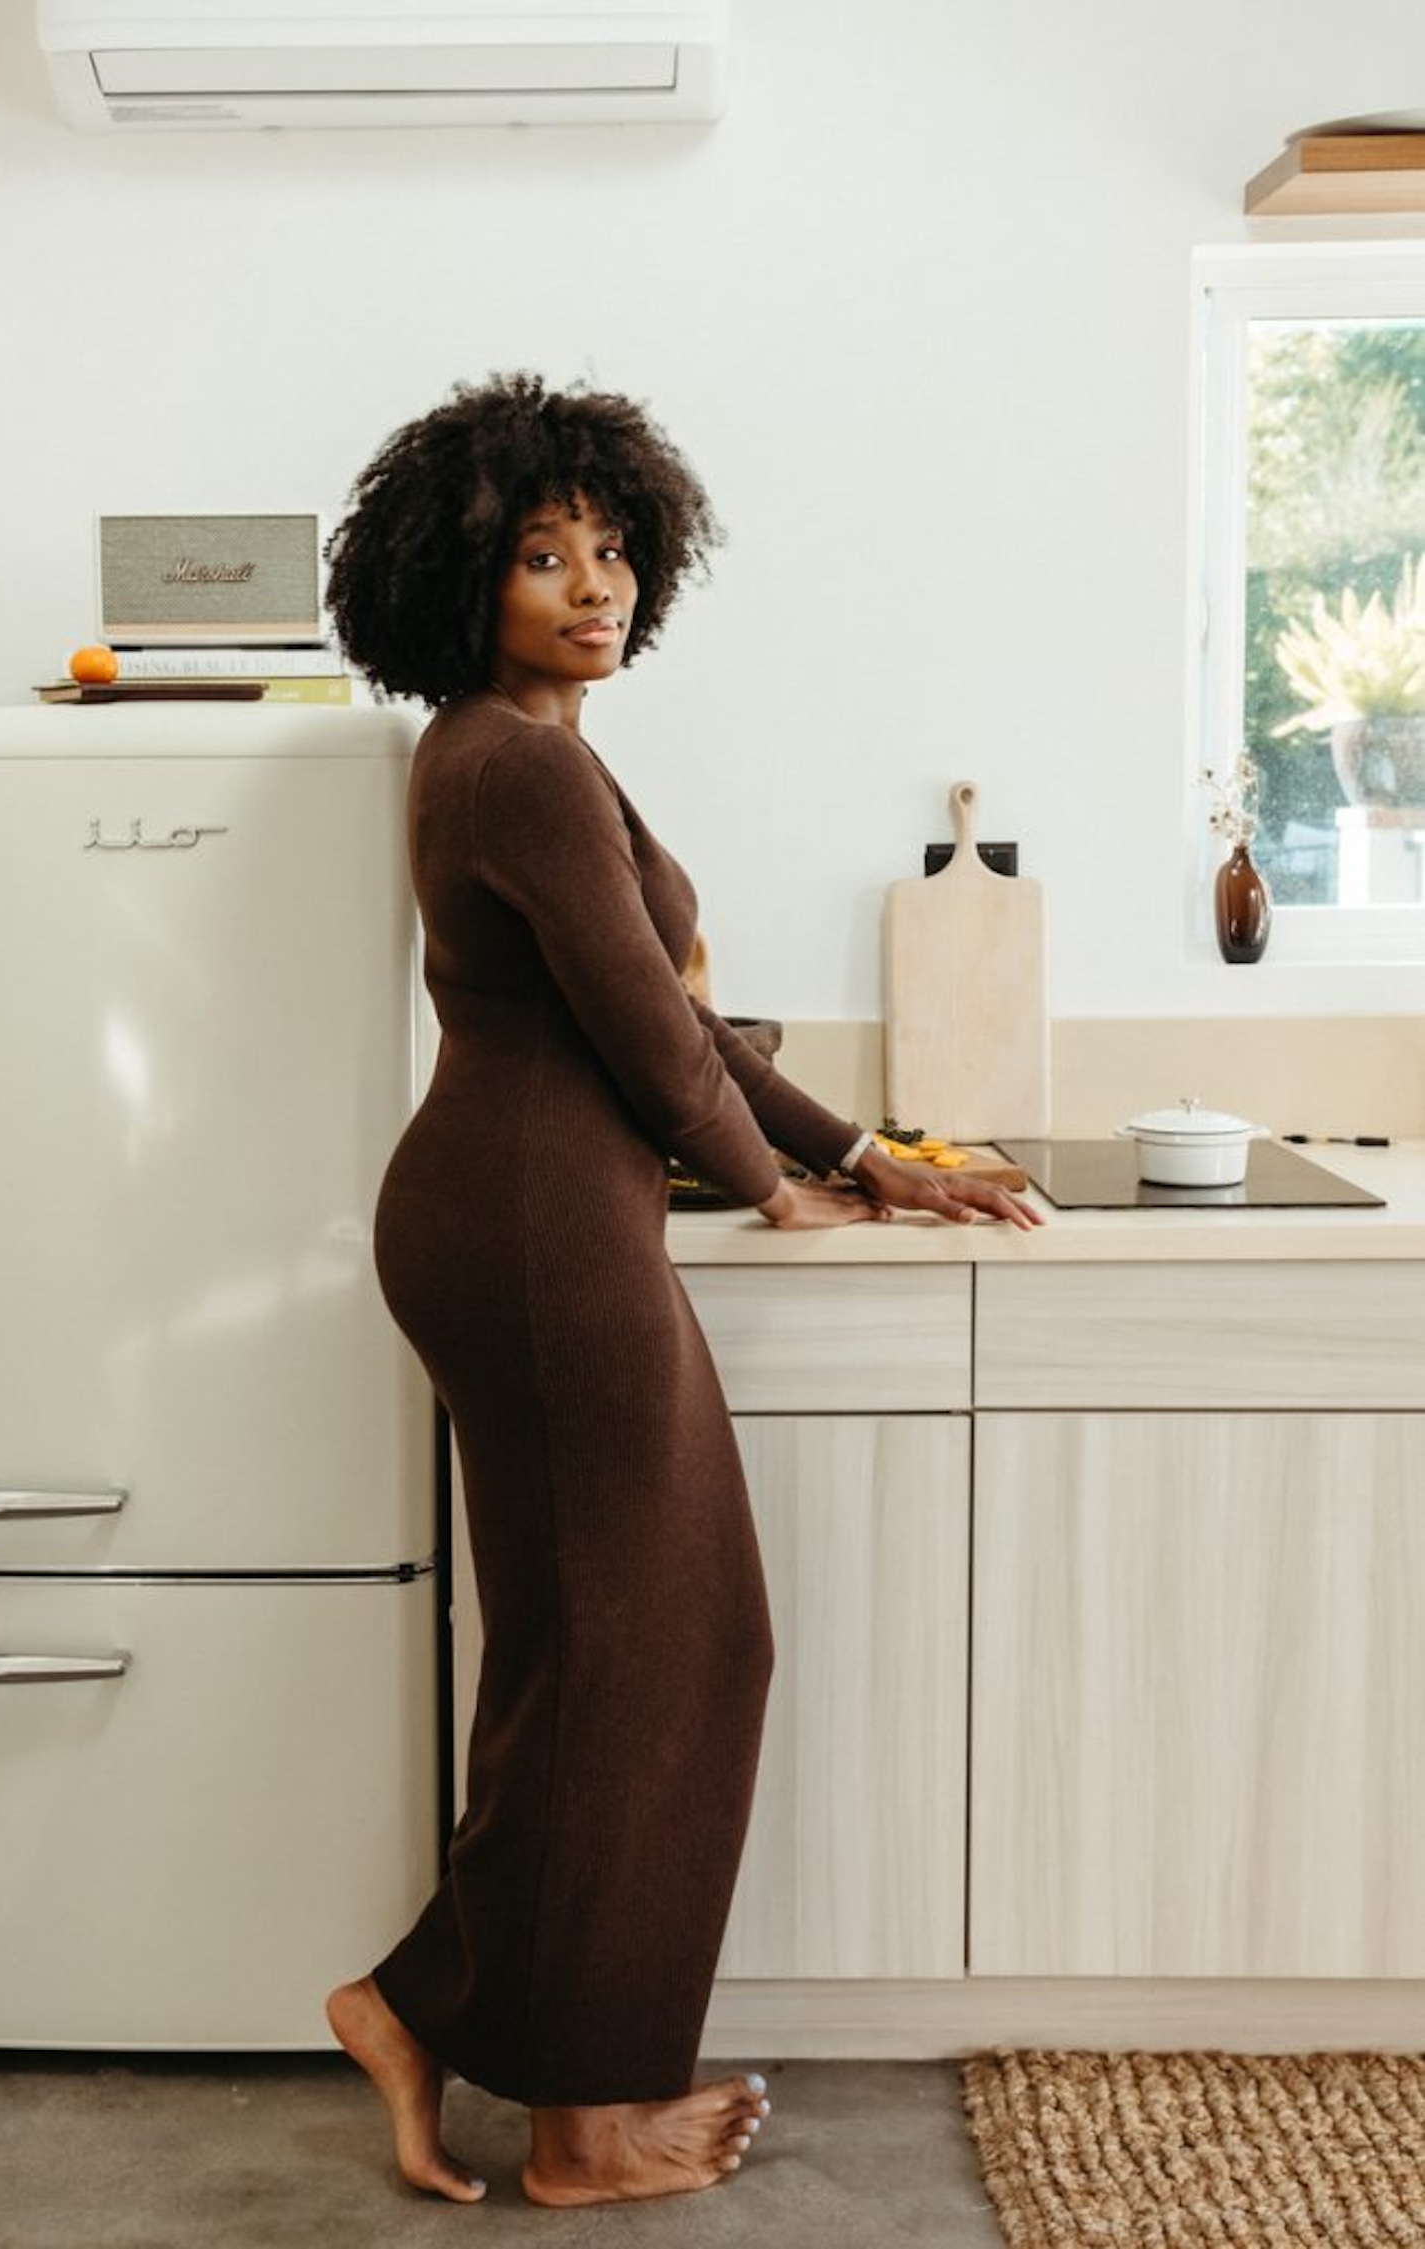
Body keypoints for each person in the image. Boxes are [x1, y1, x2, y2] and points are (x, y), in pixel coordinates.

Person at [321, 372, 1043, 2210]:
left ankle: (433, 2013)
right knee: (661, 1650)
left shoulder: (526, 750)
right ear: (460, 580)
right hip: (531, 1229)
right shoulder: (515, 758)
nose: (593, 585)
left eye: (615, 549)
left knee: (611, 1653)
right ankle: (582, 2119)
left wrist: (865, 1153)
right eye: (543, 555)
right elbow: (655, 1038)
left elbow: (680, 1020)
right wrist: (765, 1183)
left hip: (530, 1217)